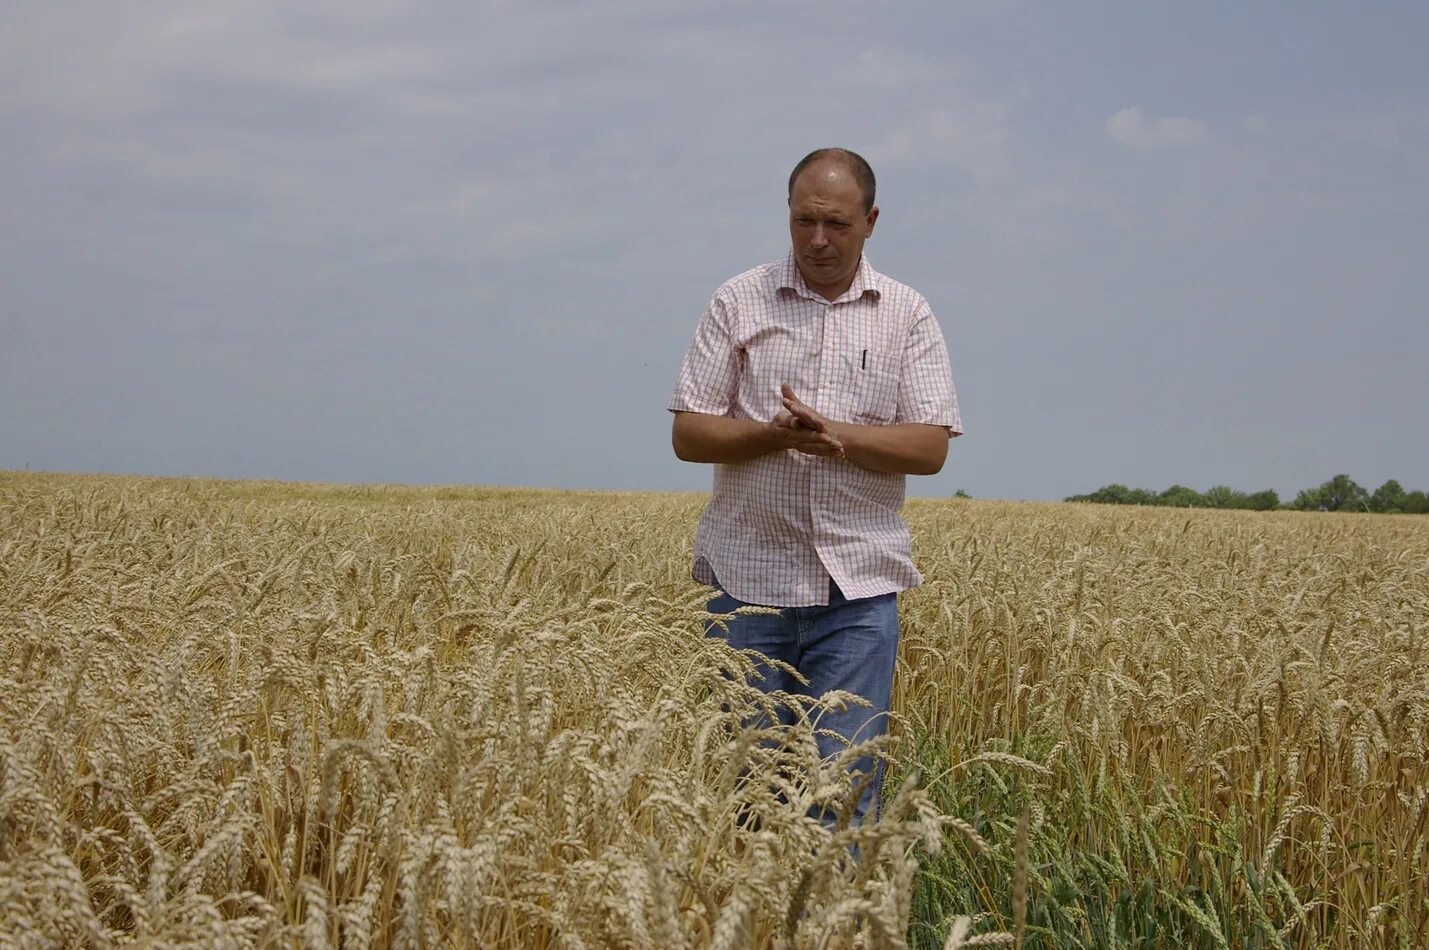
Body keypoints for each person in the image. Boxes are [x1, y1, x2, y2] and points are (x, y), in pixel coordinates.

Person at [667, 148, 962, 825]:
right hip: (746, 590)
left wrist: (834, 433)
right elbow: (688, 433)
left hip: (856, 596)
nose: (818, 240)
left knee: (840, 803)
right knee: (747, 804)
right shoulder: (737, 300)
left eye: (836, 223)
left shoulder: (906, 314)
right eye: (804, 222)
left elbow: (929, 446)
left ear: (871, 221)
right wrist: (774, 435)